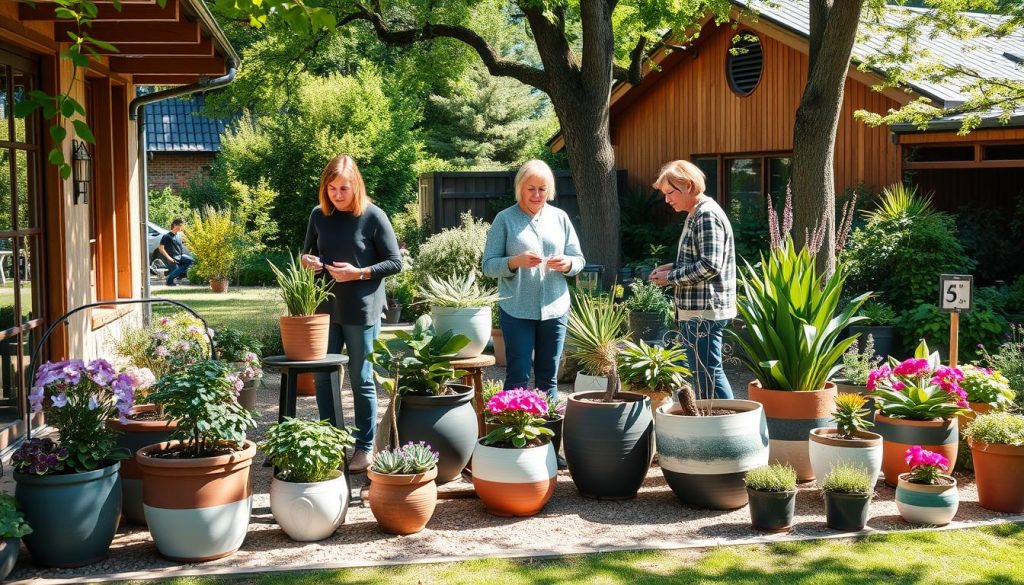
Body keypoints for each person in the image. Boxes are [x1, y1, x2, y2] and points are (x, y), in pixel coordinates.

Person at [300, 155, 402, 473]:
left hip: (361, 309)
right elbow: (308, 253)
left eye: (343, 188)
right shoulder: (318, 215)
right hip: (325, 309)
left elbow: (394, 262)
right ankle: (330, 444)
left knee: (361, 379)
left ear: (355, 186)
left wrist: (359, 273)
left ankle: (364, 447)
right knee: (323, 378)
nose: (336, 194)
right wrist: (309, 262)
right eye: (330, 188)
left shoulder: (373, 216)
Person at [482, 159, 585, 400]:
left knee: (548, 378)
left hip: (555, 308)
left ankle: (548, 434)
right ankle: (513, 433)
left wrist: (568, 264)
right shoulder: (505, 219)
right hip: (516, 309)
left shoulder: (560, 218)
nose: (537, 195)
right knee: (517, 376)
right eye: (531, 189)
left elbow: (578, 259)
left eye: (542, 189)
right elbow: (488, 266)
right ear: (520, 188)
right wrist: (514, 261)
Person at [649, 160, 736, 400]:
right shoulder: (696, 213)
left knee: (708, 374)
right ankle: (716, 429)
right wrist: (672, 267)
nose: (667, 200)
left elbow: (710, 265)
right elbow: (701, 260)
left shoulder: (706, 215)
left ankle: (725, 430)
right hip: (698, 312)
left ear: (688, 185)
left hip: (704, 313)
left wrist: (671, 277)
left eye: (669, 193)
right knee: (704, 373)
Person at [159, 218, 194, 286]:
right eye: (180, 225)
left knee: (191, 260)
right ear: (174, 225)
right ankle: (169, 280)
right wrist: (168, 258)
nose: (181, 227)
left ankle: (173, 276)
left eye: (182, 226)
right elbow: (161, 248)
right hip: (172, 257)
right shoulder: (166, 236)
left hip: (180, 256)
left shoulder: (179, 235)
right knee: (175, 272)